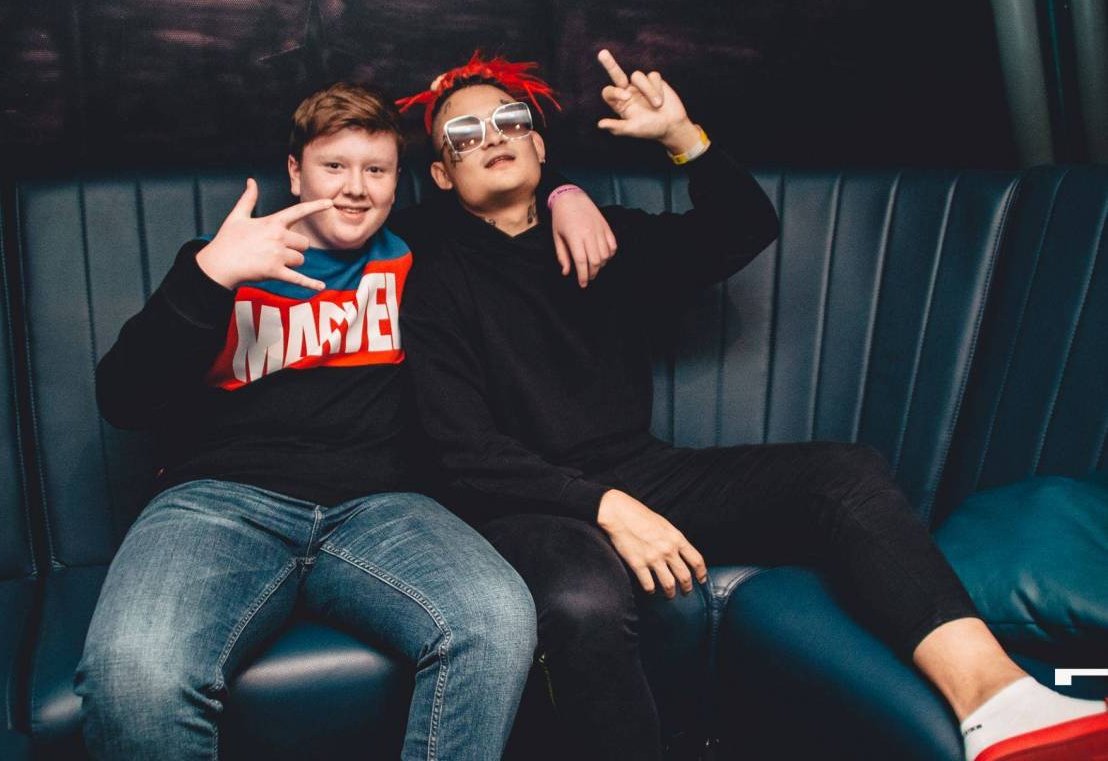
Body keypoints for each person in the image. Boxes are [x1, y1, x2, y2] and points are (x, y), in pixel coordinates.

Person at [397, 50, 1108, 761]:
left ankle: (998, 701)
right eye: (463, 134)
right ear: (442, 174)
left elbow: (742, 227)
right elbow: (465, 451)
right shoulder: (426, 264)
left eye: (509, 120)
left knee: (843, 474)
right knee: (584, 600)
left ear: (539, 143)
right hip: (519, 503)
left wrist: (679, 138)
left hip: (638, 472)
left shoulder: (606, 235)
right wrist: (607, 507)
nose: (491, 137)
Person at [74, 81, 614, 760]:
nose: (355, 189)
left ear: (397, 182)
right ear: (295, 171)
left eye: (376, 170)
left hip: (381, 507)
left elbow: (503, 178)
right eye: (334, 166)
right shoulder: (225, 258)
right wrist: (209, 277)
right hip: (221, 501)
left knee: (498, 620)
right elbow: (121, 401)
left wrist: (567, 194)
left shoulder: (421, 253)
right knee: (133, 676)